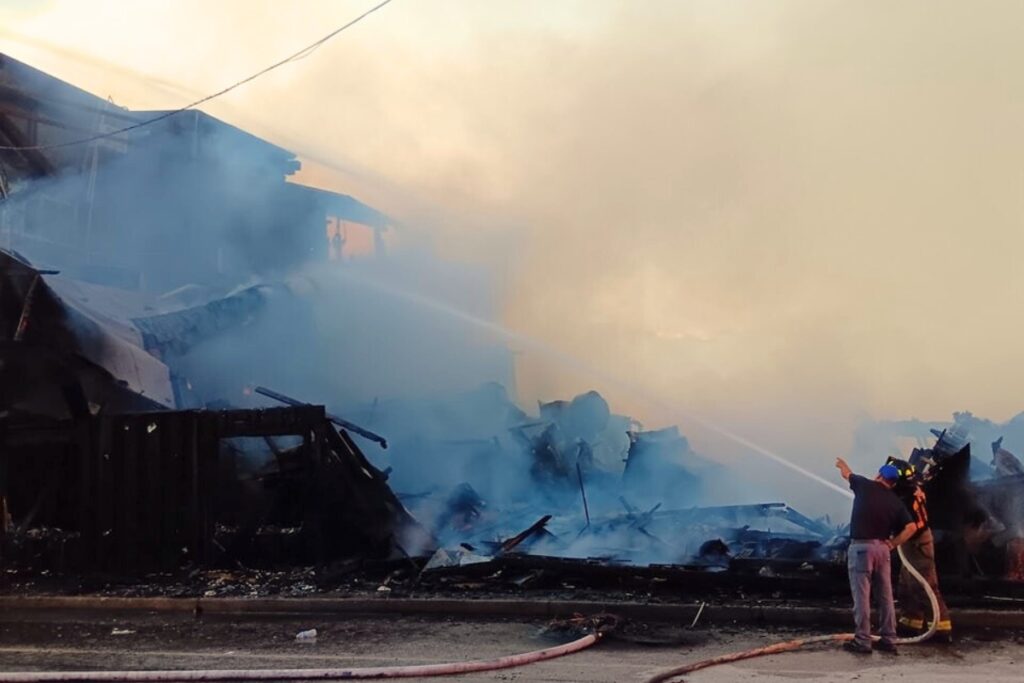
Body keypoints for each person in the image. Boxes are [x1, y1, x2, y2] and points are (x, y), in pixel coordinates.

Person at [835, 457, 918, 654]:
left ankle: (863, 641)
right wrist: (892, 543)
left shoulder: (865, 485)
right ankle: (889, 639)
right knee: (885, 596)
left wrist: (841, 464)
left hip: (862, 548)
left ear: (879, 475)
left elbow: (847, 474)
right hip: (882, 549)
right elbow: (911, 527)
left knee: (862, 596)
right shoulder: (895, 501)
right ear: (894, 482)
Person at [886, 457, 953, 641]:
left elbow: (912, 526)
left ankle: (941, 628)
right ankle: (911, 622)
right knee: (907, 584)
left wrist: (892, 543)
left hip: (917, 542)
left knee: (925, 585)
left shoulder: (905, 496)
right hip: (911, 542)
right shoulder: (910, 488)